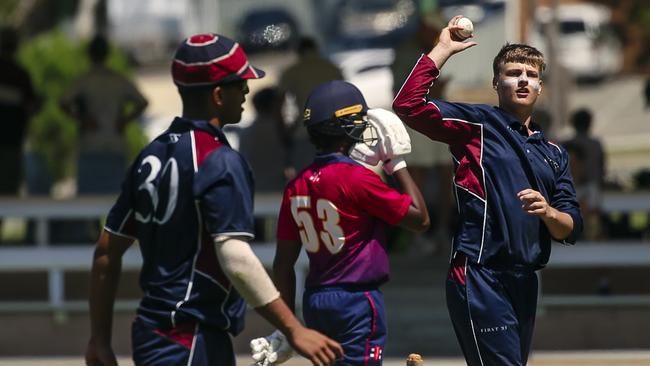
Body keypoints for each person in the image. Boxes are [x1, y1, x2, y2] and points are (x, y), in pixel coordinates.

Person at [85, 33, 343, 366]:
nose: (248, 91)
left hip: (152, 335)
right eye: (241, 84)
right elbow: (234, 255)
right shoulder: (219, 160)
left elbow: (106, 251)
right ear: (219, 94)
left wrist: (99, 339)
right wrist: (294, 329)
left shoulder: (151, 155)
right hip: (192, 338)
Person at [393, 16, 582, 366]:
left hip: (525, 280)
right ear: (496, 82)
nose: (522, 80)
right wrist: (443, 50)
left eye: (531, 75)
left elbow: (571, 228)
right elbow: (408, 106)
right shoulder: (477, 126)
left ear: (541, 85)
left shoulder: (554, 153)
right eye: (513, 73)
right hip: (480, 275)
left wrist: (549, 213)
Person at [273, 80, 430, 365]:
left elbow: (283, 264)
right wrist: (397, 163)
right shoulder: (357, 178)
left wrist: (285, 327)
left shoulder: (296, 184)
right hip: (356, 301)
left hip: (315, 299)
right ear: (345, 127)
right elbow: (420, 219)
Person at [390, 17, 454, 254]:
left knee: (446, 174)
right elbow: (409, 91)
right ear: (423, 29)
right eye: (433, 32)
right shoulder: (409, 53)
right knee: (417, 176)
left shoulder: (427, 50)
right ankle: (416, 236)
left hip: (435, 118)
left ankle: (441, 232)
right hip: (416, 122)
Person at [60, 33, 148, 194]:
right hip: (115, 141)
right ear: (107, 54)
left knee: (87, 196)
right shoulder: (118, 80)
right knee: (115, 197)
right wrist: (125, 120)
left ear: (89, 54)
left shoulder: (84, 80)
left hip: (90, 141)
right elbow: (142, 103)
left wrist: (83, 120)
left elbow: (64, 103)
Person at [278, 37, 344, 178]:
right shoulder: (332, 68)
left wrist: (284, 131)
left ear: (298, 52)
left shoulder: (292, 71)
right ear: (316, 49)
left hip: (304, 132)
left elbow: (279, 103)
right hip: (333, 132)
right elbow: (344, 100)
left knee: (306, 181)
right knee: (334, 179)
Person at [0, 26, 39, 196]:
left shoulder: (21, 75)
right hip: (11, 142)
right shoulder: (20, 75)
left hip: (11, 143)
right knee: (7, 191)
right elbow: (31, 106)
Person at [239, 87, 292, 192]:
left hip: (253, 191)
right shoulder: (281, 133)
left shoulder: (245, 133)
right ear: (275, 106)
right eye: (282, 105)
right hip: (276, 193)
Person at [563, 108, 605, 240]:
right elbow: (601, 169)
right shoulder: (596, 144)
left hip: (582, 190)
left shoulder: (565, 144)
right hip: (589, 189)